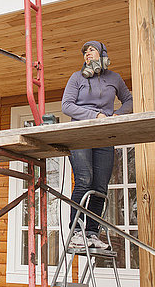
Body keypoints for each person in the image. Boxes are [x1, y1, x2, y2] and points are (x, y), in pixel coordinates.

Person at [61, 41, 133, 249]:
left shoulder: (114, 79)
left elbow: (128, 100)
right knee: (84, 180)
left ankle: (91, 233)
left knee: (100, 186)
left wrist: (116, 115)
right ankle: (76, 232)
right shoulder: (76, 78)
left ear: (102, 54)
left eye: (91, 50)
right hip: (81, 134)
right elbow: (67, 106)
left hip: (104, 136)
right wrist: (95, 115)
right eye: (84, 52)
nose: (87, 54)